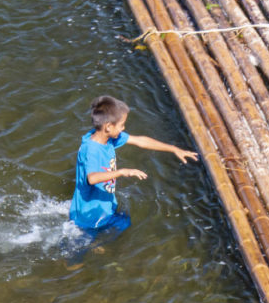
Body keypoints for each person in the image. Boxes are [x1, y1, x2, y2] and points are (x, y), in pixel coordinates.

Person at [69, 95, 198, 236]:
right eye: (121, 125)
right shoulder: (92, 149)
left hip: (103, 206)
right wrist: (123, 172)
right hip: (88, 215)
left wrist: (174, 149)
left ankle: (100, 243)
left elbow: (140, 141)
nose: (123, 129)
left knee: (124, 223)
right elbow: (92, 178)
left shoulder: (108, 138)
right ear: (108, 127)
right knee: (81, 249)